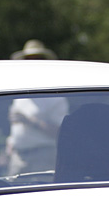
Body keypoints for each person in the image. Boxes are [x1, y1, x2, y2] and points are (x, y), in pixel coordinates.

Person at [6, 40, 68, 175]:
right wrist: (11, 143)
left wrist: (31, 121)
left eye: (37, 59)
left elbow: (61, 132)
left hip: (43, 157)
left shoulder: (55, 96)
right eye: (28, 60)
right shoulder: (21, 93)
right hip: (18, 157)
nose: (32, 64)